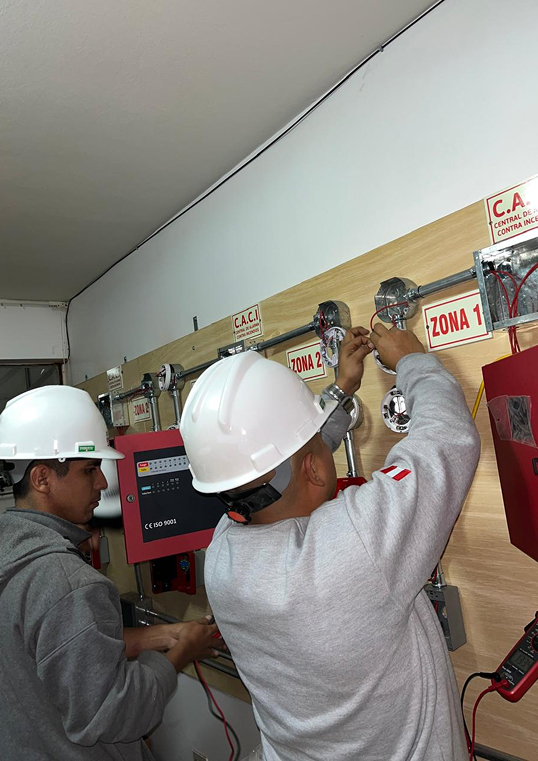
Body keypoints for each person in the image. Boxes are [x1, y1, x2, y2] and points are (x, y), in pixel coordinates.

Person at [180, 324, 480, 761]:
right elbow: (446, 442)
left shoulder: (222, 554)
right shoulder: (354, 544)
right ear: (314, 469)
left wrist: (340, 391)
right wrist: (413, 362)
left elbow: (279, 468)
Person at [0, 385, 222, 761]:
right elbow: (117, 714)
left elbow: (55, 648)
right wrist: (183, 651)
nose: (103, 483)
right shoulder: (66, 583)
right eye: (90, 470)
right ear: (42, 478)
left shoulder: (11, 552)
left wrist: (163, 635)